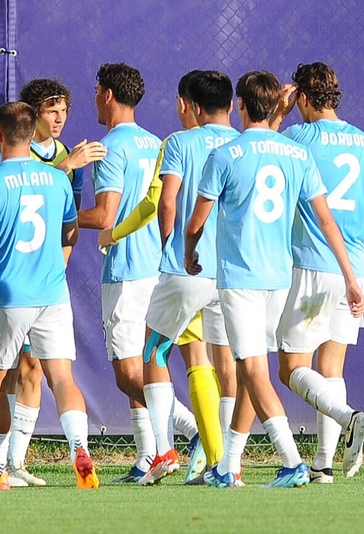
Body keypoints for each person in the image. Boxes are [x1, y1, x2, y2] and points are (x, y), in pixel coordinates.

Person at [186, 70, 364, 489]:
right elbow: (326, 220)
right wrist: (351, 277)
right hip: (280, 278)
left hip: (241, 278)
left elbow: (197, 220)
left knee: (253, 370)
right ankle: (228, 466)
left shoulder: (226, 155)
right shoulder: (296, 155)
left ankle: (292, 460)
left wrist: (189, 251)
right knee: (255, 371)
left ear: (240, 106)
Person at [0, 101, 98, 490]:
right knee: (61, 377)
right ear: (32, 135)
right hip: (52, 293)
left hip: (6, 295)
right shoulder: (57, 180)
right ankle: (80, 448)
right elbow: (70, 231)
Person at [276, 62, 364, 483]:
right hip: (352, 270)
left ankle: (349, 417)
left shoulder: (295, 136)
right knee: (332, 368)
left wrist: (278, 112)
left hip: (309, 264)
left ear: (303, 98)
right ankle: (324, 465)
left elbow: (261, 156)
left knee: (290, 369)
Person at [77, 63, 195, 482]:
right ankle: (150, 456)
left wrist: (65, 219)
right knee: (144, 363)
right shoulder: (156, 141)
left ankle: (190, 430)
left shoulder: (109, 148)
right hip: (159, 268)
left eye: (95, 90)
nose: (93, 97)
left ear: (107, 94)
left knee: (128, 371)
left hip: (127, 270)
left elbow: (105, 215)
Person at [132, 70, 239, 485]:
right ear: (231, 105)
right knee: (226, 362)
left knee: (153, 352)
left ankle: (163, 452)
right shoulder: (243, 144)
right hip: (233, 272)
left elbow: (168, 201)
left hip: (187, 266)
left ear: (191, 106)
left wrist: (166, 245)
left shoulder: (179, 142)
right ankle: (229, 463)